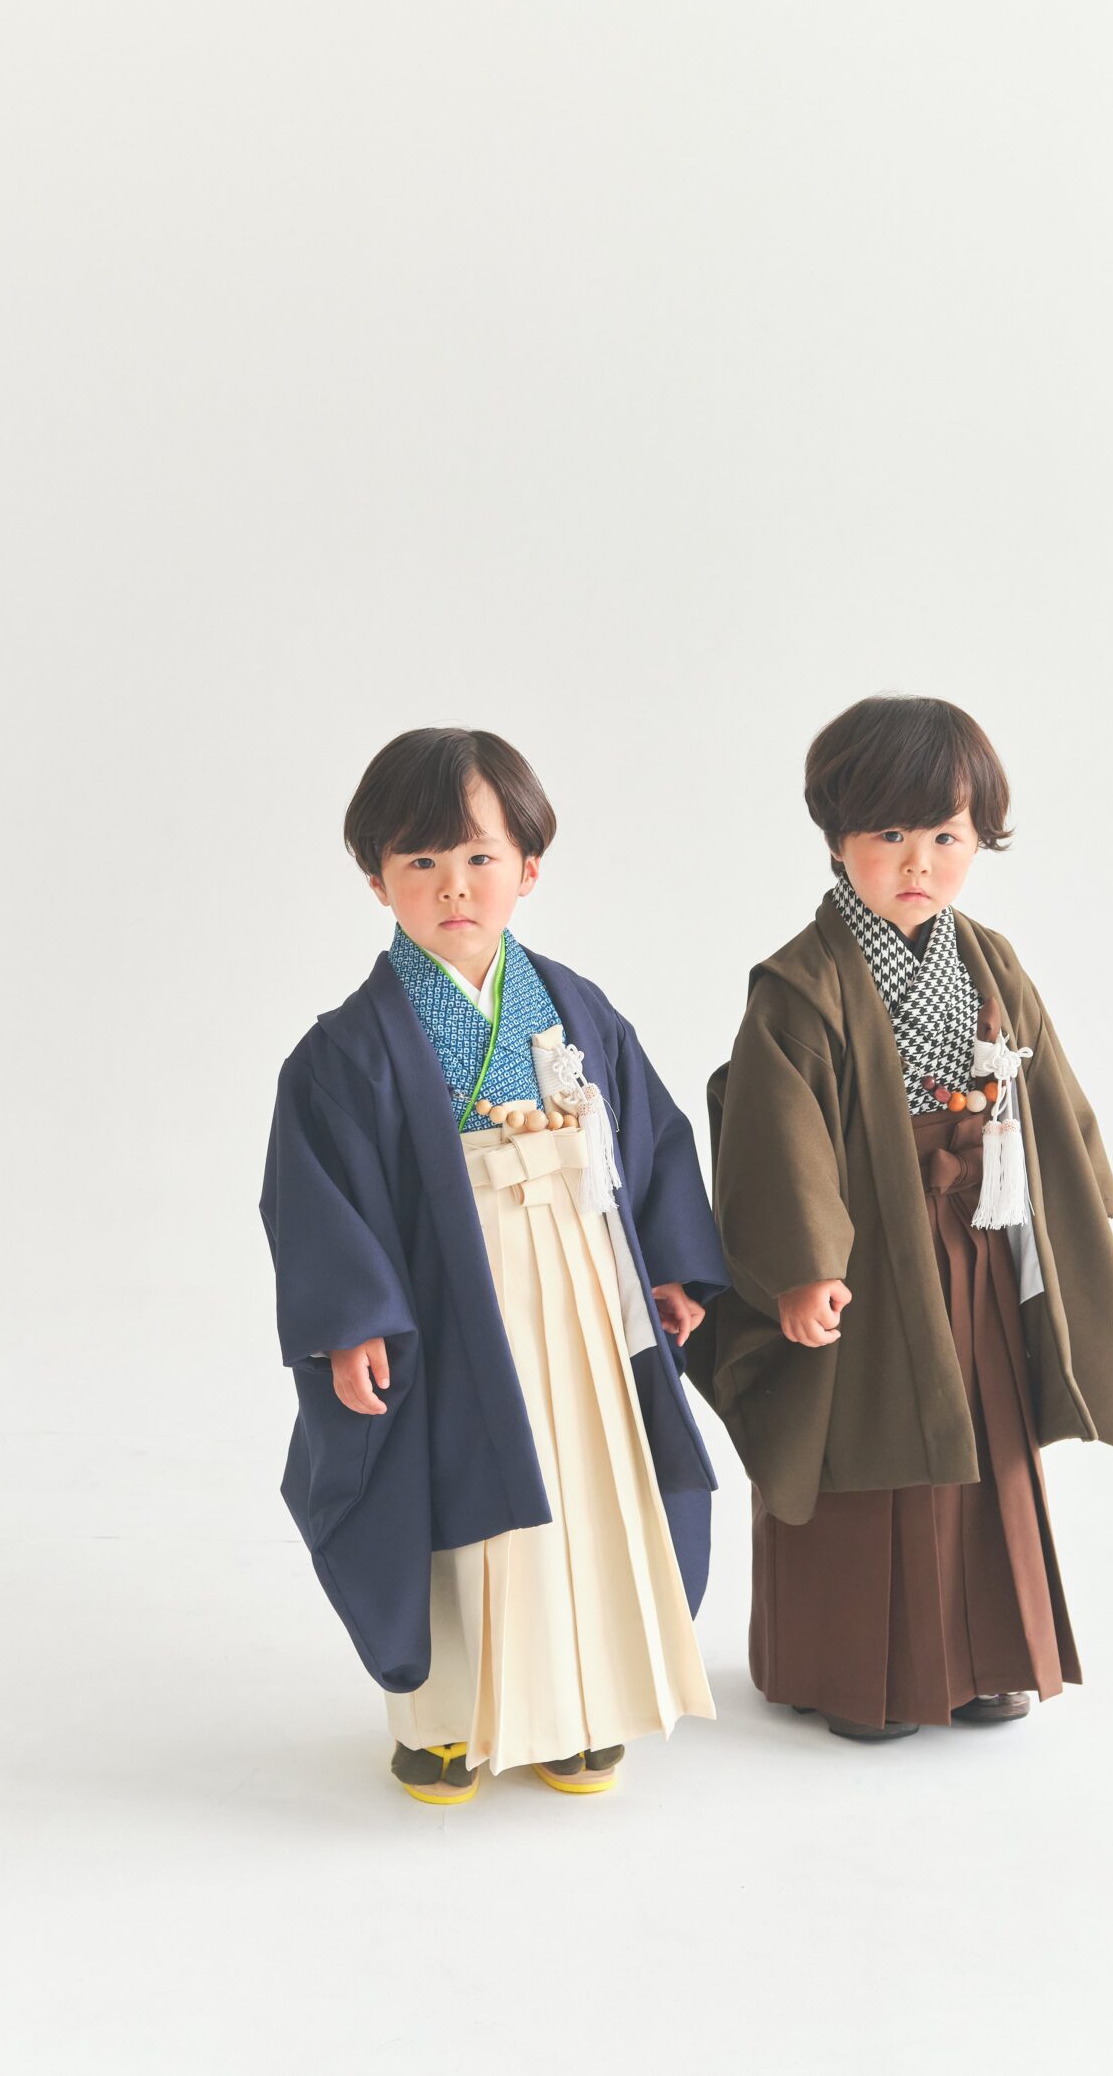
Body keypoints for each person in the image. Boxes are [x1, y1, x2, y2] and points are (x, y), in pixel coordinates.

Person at [262, 727, 727, 1801]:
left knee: (587, 1483)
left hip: (579, 1278)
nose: (453, 886)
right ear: (376, 879)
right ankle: (443, 1721)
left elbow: (652, 1139)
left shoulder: (575, 1005)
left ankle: (580, 1706)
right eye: (420, 859)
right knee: (457, 1498)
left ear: (530, 866)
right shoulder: (345, 1051)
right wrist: (353, 1320)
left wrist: (667, 1267)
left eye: (480, 856)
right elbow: (316, 1197)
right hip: (448, 1300)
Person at [685, 695, 1113, 1741]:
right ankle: (853, 1673)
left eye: (946, 836)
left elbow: (1050, 1098)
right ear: (837, 837)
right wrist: (801, 1267)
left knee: (985, 1439)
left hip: (973, 1243)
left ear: (979, 840)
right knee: (864, 1447)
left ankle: (988, 1658)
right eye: (889, 833)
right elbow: (775, 1131)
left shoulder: (988, 959)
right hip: (864, 1256)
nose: (917, 863)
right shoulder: (800, 985)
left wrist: (1075, 1209)